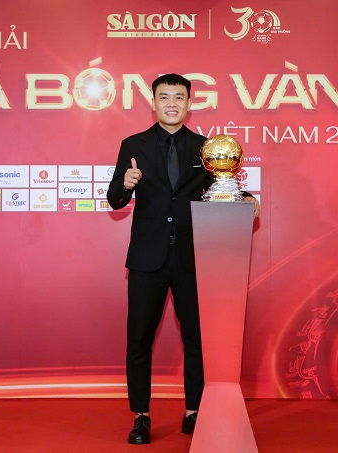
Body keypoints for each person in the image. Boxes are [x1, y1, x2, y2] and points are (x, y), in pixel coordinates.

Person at [107, 73, 260, 445]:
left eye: (179, 97)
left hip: (196, 258)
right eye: (164, 97)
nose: (171, 103)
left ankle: (194, 411)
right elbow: (114, 200)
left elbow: (222, 191)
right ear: (154, 102)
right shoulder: (134, 144)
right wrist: (125, 184)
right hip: (147, 258)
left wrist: (246, 199)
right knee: (139, 339)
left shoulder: (205, 148)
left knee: (197, 339)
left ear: (189, 104)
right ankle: (141, 415)